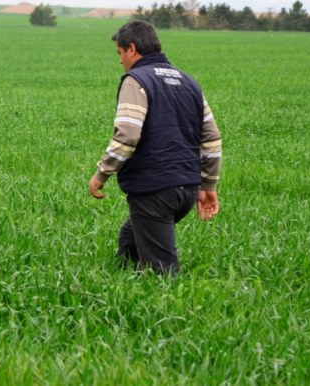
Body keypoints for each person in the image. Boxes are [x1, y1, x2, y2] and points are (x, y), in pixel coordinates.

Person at [88, 20, 222, 275]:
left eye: (119, 54)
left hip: (155, 190)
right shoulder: (189, 82)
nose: (120, 61)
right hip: (187, 189)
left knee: (160, 272)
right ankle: (118, 283)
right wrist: (208, 185)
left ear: (132, 49)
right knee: (131, 240)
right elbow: (212, 138)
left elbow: (127, 135)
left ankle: (170, 308)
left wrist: (102, 173)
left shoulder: (136, 80)